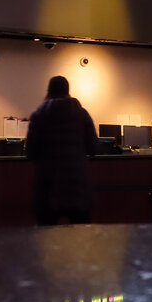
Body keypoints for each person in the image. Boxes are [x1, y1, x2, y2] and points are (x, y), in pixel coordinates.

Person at [25, 76, 97, 225]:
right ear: (68, 91)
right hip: (77, 185)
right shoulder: (82, 114)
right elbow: (94, 148)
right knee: (81, 238)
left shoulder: (39, 115)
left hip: (48, 186)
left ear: (49, 91)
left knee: (46, 239)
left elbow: (30, 153)